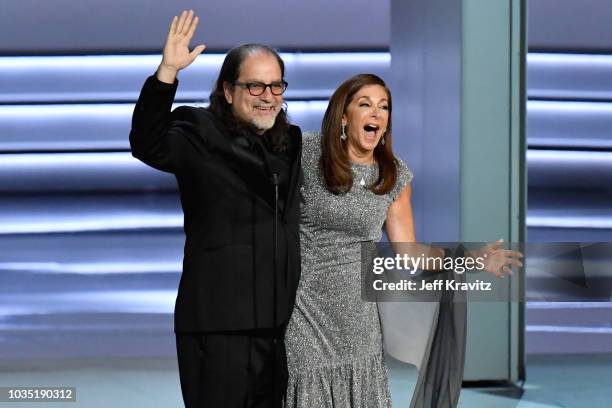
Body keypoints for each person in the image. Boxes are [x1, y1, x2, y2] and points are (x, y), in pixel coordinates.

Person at [283, 74, 523, 407]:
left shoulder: (393, 176)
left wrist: (471, 259)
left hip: (359, 322)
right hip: (303, 313)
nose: (376, 114)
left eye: (384, 107)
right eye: (365, 105)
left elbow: (410, 252)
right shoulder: (307, 153)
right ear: (343, 116)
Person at [129, 10, 302, 408]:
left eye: (276, 86)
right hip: (220, 322)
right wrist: (167, 72)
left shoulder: (291, 144)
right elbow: (147, 143)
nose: (268, 96)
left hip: (282, 326)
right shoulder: (199, 133)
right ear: (227, 90)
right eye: (255, 86)